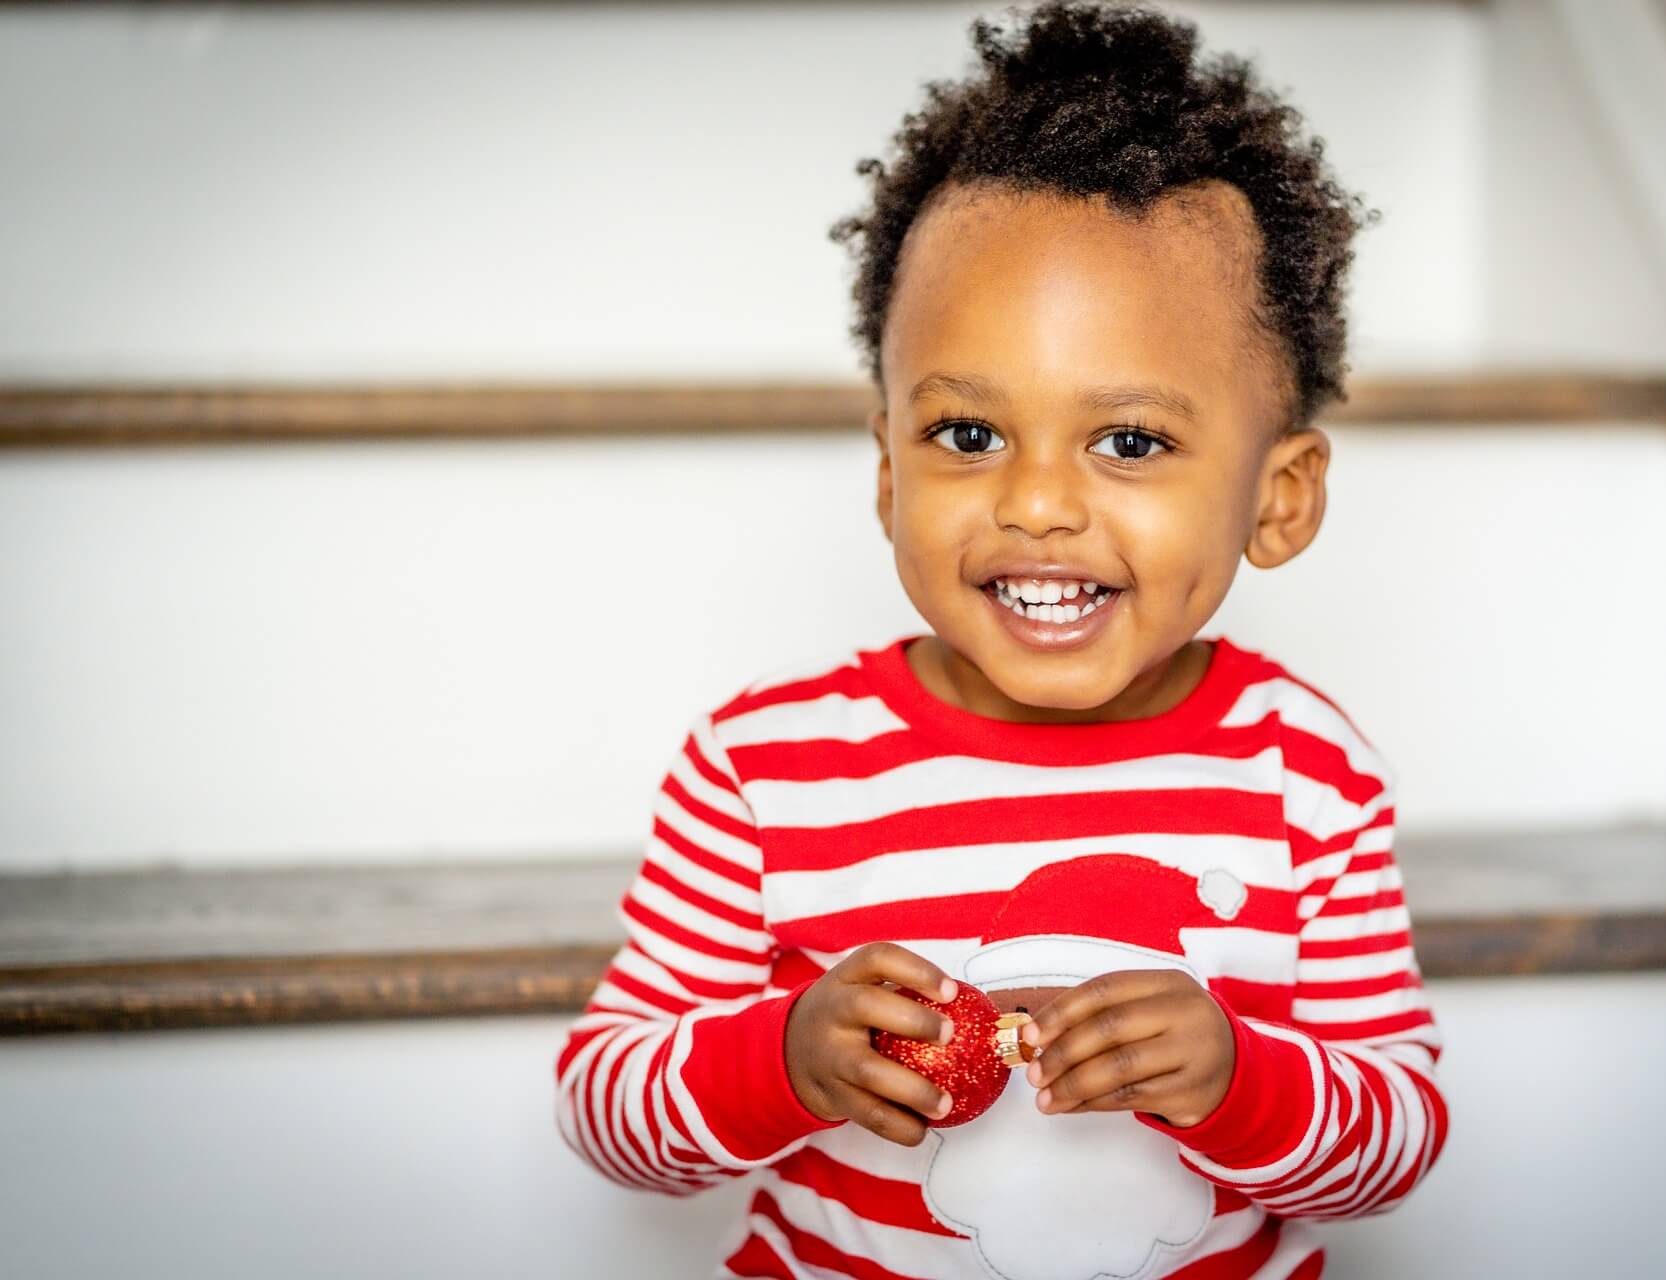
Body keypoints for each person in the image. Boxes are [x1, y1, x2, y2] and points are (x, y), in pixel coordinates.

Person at [554, 1, 1448, 1274]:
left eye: (1129, 440)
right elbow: (608, 1111)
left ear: (1279, 497)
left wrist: (1240, 1077)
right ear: (886, 471)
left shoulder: (1304, 771)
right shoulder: (767, 765)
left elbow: (1397, 1139)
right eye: (968, 435)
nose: (1034, 502)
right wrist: (787, 1055)